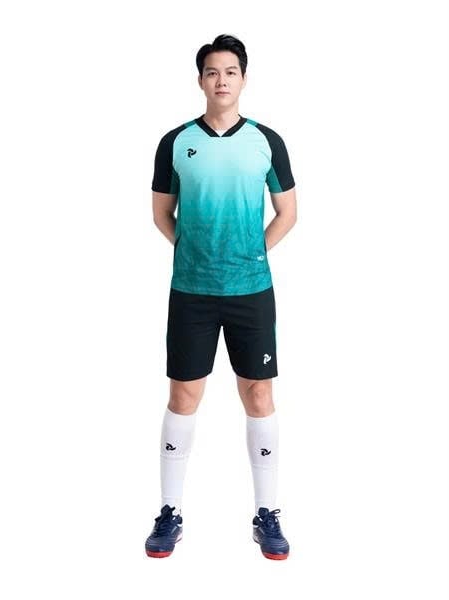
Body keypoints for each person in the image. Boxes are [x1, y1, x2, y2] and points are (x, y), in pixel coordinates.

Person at [145, 34, 297, 560]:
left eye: (231, 71)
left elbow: (288, 213)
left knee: (258, 395)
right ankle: (169, 512)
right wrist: (193, 251)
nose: (222, 80)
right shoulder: (175, 142)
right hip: (191, 291)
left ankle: (267, 514)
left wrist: (252, 252)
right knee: (183, 396)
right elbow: (161, 214)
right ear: (201, 80)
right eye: (212, 72)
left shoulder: (266, 141)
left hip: (251, 291)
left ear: (243, 79)